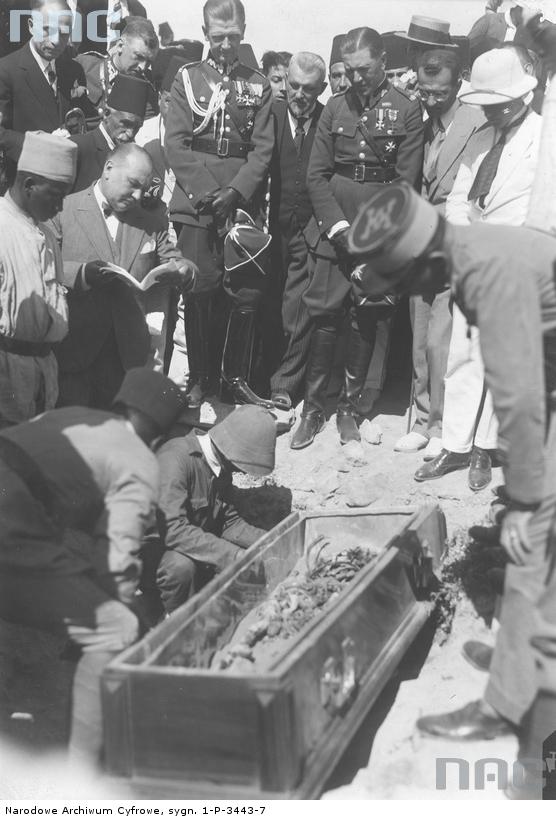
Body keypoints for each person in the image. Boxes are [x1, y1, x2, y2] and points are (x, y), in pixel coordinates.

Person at [347, 183, 556, 783]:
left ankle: (507, 708)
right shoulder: (466, 250)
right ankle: (524, 662)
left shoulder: (488, 275)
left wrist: (526, 501)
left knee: (532, 548)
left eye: (406, 281)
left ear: (425, 260)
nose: (411, 295)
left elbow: (519, 398)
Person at [0, 366, 184, 765]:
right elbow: (116, 562)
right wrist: (128, 611)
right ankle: (81, 778)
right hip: (10, 519)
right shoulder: (138, 459)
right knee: (116, 628)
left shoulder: (75, 415)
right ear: (160, 432)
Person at [291, 26, 424, 449]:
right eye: (350, 70)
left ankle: (348, 408)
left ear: (384, 61)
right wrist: (338, 228)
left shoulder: (406, 110)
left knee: (366, 315)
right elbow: (317, 175)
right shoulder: (334, 108)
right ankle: (313, 409)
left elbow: (406, 183)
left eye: (364, 69)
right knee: (325, 315)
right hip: (334, 225)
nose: (356, 78)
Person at [416, 46, 541, 490]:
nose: (489, 112)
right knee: (461, 356)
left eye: (496, 104)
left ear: (521, 96)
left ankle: (484, 450)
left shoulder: (544, 141)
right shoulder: (481, 138)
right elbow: (458, 198)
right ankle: (454, 444)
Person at [164, 0, 274, 409]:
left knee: (239, 294)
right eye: (218, 36)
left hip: (240, 205)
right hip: (198, 205)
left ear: (243, 31)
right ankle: (201, 377)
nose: (226, 45)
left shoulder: (259, 85)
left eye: (234, 36)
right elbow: (176, 144)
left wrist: (235, 192)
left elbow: (262, 150)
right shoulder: (187, 78)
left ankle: (233, 380)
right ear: (205, 33)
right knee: (198, 292)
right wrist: (210, 193)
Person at [52, 143, 197, 408]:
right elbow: (44, 264)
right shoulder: (62, 209)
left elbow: (176, 260)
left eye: (144, 188)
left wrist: (184, 270)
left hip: (126, 356)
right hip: (75, 349)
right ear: (108, 169)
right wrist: (82, 273)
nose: (138, 195)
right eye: (133, 184)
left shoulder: (151, 222)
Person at [394, 49, 485, 458]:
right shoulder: (420, 122)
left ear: (458, 83)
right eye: (425, 92)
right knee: (419, 336)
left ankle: (441, 424)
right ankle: (420, 417)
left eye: (440, 93)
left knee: (440, 339)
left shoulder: (476, 122)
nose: (430, 100)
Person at [156, 404, 277, 612]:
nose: (243, 472)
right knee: (181, 566)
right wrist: (234, 556)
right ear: (231, 451)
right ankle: (174, 619)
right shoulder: (175, 459)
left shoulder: (220, 468)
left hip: (195, 548)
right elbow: (173, 530)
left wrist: (269, 541)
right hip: (156, 555)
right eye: (243, 465)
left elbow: (228, 523)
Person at [0, 132, 76, 428]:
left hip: (42, 378)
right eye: (55, 195)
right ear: (29, 185)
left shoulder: (46, 235)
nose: (60, 207)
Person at [265, 52, 326, 412]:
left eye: (309, 89)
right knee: (267, 302)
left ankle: (285, 384)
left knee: (298, 307)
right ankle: (259, 374)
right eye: (294, 85)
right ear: (286, 81)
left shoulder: (327, 120)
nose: (300, 95)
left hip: (308, 228)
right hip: (269, 227)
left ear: (322, 88)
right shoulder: (268, 114)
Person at [0, 0, 93, 166]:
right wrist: (41, 146)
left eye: (64, 33)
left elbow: (85, 120)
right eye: (47, 30)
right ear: (31, 26)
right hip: (25, 174)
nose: (56, 40)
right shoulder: (6, 71)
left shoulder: (74, 69)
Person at [70, 72, 150, 191]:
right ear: (106, 114)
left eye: (137, 127)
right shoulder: (77, 148)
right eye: (126, 124)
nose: (131, 133)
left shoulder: (133, 159)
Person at [76, 15, 158, 126]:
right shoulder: (83, 66)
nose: (143, 67)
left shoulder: (146, 92)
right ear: (120, 46)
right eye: (139, 56)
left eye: (149, 62)